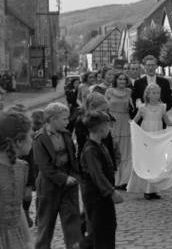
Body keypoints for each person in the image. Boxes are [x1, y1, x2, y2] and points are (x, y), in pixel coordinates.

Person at [33, 102, 82, 249]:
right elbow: (44, 166)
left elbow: (73, 157)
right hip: (49, 186)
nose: (67, 122)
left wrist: (74, 175)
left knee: (72, 222)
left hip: (69, 184)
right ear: (52, 119)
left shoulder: (66, 134)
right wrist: (63, 178)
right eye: (64, 119)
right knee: (46, 224)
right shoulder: (40, 138)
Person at [127, 83, 172, 200]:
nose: (156, 95)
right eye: (153, 93)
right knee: (147, 160)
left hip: (157, 134)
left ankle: (153, 189)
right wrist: (131, 125)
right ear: (147, 94)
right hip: (146, 134)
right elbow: (135, 121)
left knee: (155, 160)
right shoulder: (143, 108)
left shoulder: (162, 107)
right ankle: (146, 189)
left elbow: (167, 122)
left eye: (158, 93)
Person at [80, 111, 124, 249]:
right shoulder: (90, 150)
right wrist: (111, 192)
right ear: (101, 128)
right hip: (96, 197)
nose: (109, 129)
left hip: (103, 197)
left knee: (109, 227)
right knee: (100, 232)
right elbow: (97, 175)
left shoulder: (100, 145)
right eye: (108, 126)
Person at [0, 110, 34, 249]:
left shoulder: (21, 167)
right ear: (19, 141)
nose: (32, 140)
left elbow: (17, 207)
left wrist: (28, 241)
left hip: (15, 238)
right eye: (30, 136)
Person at [105, 72, 134, 189]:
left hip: (125, 121)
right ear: (115, 80)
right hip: (113, 122)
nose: (122, 81)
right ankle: (115, 179)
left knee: (126, 152)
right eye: (120, 79)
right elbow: (105, 108)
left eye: (124, 79)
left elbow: (132, 108)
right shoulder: (109, 91)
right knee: (114, 151)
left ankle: (125, 179)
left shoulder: (129, 92)